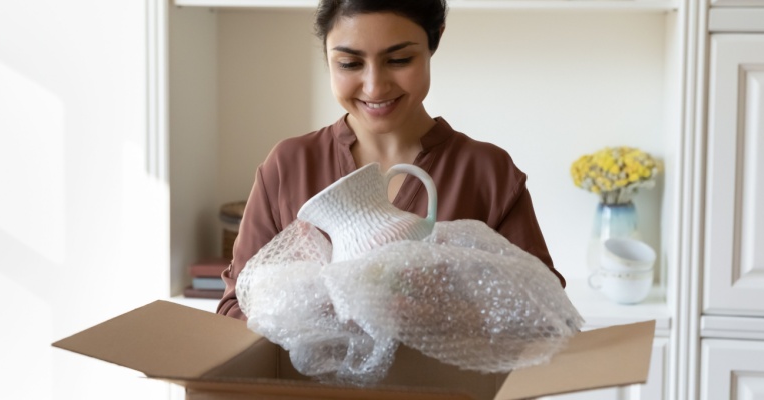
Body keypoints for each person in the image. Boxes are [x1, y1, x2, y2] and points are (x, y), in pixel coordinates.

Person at [217, 0, 564, 319]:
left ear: (434, 40)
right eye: (350, 63)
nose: (374, 87)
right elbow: (236, 307)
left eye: (399, 60)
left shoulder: (487, 172)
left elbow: (546, 314)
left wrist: (442, 312)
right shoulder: (289, 166)